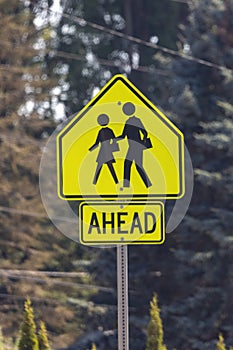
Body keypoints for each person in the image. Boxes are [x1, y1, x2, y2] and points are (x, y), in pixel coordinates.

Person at [118, 102, 152, 188]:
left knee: (129, 164)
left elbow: (144, 132)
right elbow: (123, 136)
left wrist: (143, 142)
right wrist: (113, 139)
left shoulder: (136, 120)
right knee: (135, 165)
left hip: (136, 146)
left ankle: (128, 184)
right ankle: (147, 184)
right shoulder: (128, 121)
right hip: (133, 146)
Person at [89, 114, 119, 185]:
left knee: (107, 166)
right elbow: (114, 140)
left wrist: (90, 149)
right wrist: (90, 149)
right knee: (101, 166)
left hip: (105, 150)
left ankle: (116, 182)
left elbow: (97, 143)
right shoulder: (107, 131)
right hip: (105, 150)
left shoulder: (103, 131)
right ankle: (95, 182)